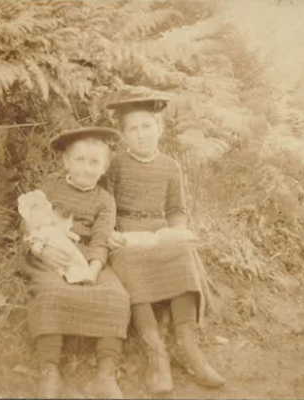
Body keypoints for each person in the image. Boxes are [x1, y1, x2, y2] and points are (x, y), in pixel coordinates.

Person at [104, 96, 225, 394]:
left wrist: (177, 230)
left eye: (147, 126)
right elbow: (105, 203)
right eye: (132, 129)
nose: (141, 134)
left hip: (160, 228)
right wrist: (110, 230)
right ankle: (155, 352)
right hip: (127, 231)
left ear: (160, 128)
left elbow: (176, 209)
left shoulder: (171, 166)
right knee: (129, 262)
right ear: (123, 135)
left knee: (183, 252)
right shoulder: (116, 164)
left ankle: (187, 345)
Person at [20, 127, 131, 399]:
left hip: (86, 255)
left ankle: (106, 373)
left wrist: (93, 268)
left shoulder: (105, 200)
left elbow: (102, 238)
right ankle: (50, 370)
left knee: (115, 295)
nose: (86, 167)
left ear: (104, 168)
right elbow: (30, 226)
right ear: (66, 161)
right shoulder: (48, 189)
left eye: (94, 162)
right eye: (80, 160)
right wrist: (41, 250)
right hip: (50, 250)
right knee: (50, 291)